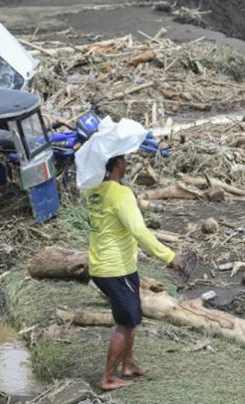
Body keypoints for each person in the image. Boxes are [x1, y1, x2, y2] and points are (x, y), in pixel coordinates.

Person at [85, 155, 185, 391]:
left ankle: (128, 365)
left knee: (131, 316)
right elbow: (139, 231)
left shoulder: (93, 191)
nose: (127, 164)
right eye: (124, 160)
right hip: (116, 269)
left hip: (104, 265)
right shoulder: (121, 195)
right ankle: (108, 378)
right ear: (118, 164)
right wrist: (169, 256)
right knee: (126, 322)